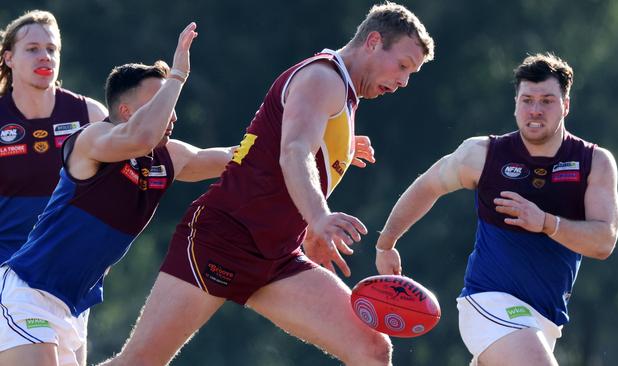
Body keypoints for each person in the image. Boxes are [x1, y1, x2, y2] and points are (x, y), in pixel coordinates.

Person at [101, 3, 434, 366]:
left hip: (277, 256)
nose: (404, 81)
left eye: (412, 74)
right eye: (403, 66)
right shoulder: (323, 78)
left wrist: (311, 224)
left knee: (371, 349)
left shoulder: (344, 94)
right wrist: (320, 217)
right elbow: (293, 153)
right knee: (138, 363)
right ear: (372, 41)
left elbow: (292, 152)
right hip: (223, 238)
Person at [0, 23, 233, 366]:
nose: (173, 114)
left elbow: (237, 159)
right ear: (125, 112)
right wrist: (178, 75)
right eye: (159, 102)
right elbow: (139, 138)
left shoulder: (170, 157)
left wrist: (309, 141)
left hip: (74, 309)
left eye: (50, 48)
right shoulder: (92, 140)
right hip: (28, 295)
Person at [374, 53, 618, 366]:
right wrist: (386, 243)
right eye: (527, 100)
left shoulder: (594, 162)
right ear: (515, 104)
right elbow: (427, 185)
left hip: (545, 320)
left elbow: (604, 242)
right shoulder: (482, 154)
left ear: (565, 105)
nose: (535, 110)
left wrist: (546, 222)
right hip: (489, 304)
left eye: (547, 100)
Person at [0, 10, 108, 263]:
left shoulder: (90, 115)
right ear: (9, 58)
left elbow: (117, 185)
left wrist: (103, 246)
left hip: (70, 260)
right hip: (6, 259)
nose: (45, 57)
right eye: (32, 49)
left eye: (51, 49)